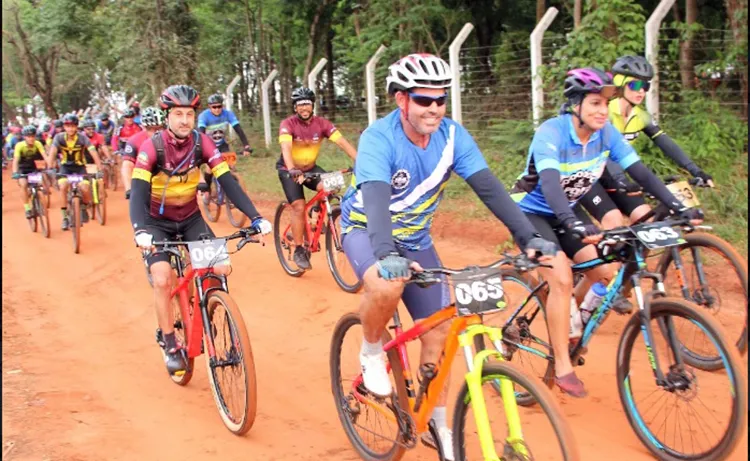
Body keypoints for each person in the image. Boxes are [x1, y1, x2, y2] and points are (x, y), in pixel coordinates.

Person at [339, 54, 560, 459]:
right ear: (401, 100)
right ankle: (371, 349)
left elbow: (489, 188)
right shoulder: (379, 138)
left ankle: (437, 424)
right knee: (388, 285)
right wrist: (386, 252)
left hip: (416, 237)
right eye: (425, 100)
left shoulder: (453, 136)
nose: (435, 109)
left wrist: (528, 236)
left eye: (441, 100)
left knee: (439, 331)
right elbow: (373, 197)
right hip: (367, 232)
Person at [509, 68, 704, 396]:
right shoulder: (551, 132)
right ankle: (562, 365)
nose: (602, 110)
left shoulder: (606, 134)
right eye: (595, 103)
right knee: (560, 276)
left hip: (566, 211)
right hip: (530, 212)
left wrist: (677, 206)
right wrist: (571, 222)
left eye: (605, 104)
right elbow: (551, 186)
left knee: (606, 272)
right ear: (575, 105)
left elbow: (640, 172)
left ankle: (572, 320)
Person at [129, 85, 272, 376]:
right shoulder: (151, 148)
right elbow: (138, 193)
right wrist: (140, 230)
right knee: (161, 279)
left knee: (220, 270)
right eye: (178, 114)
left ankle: (220, 322)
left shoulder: (202, 143)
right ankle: (170, 342)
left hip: (192, 218)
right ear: (167, 116)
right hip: (157, 223)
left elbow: (228, 182)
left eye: (189, 114)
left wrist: (255, 217)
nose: (184, 120)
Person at [579, 55, 715, 229]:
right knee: (614, 221)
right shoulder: (604, 113)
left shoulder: (641, 116)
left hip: (616, 178)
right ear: (620, 84)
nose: (641, 91)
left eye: (645, 86)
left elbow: (667, 144)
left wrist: (696, 170)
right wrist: (621, 179)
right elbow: (606, 152)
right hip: (588, 177)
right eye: (635, 85)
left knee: (647, 221)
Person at [277, 86, 358, 270]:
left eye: (307, 104)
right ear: (294, 107)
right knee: (298, 206)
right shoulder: (287, 124)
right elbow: (286, 149)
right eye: (300, 105)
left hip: (311, 168)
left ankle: (315, 213)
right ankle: (298, 249)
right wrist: (292, 169)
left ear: (313, 105)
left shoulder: (322, 124)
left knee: (333, 184)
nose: (304, 108)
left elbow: (342, 142)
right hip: (289, 170)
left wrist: (361, 161)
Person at [47, 114, 103, 230]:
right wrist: (50, 167)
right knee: (63, 187)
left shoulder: (83, 138)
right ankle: (65, 218)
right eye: (68, 126)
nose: (70, 129)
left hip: (79, 168)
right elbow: (52, 153)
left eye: (73, 126)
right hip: (65, 168)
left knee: (85, 188)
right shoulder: (59, 137)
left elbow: (93, 152)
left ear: (77, 127)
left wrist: (100, 169)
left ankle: (84, 207)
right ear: (64, 127)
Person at [121, 106, 165, 197]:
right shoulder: (134, 141)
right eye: (152, 129)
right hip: (143, 180)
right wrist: (129, 188)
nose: (157, 132)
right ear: (144, 128)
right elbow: (127, 165)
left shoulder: (171, 139)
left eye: (160, 128)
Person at [11, 125, 47, 218]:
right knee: (23, 184)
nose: (31, 138)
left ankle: (39, 198)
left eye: (33, 136)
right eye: (28, 136)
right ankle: (27, 208)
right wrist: (15, 172)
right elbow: (15, 160)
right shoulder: (19, 145)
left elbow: (44, 155)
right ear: (24, 137)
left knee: (40, 183)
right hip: (22, 168)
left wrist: (50, 165)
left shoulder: (38, 144)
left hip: (33, 167)